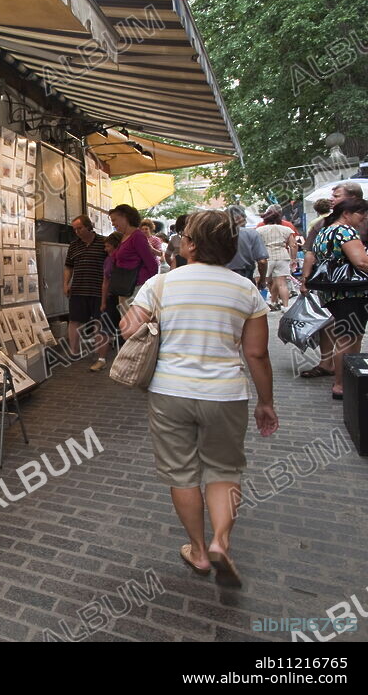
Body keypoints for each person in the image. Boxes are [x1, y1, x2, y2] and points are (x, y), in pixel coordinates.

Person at [120, 209, 277, 587]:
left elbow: (128, 330)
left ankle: (199, 550)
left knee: (182, 473)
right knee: (224, 470)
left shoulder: (161, 284)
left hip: (170, 392)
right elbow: (256, 354)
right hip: (226, 394)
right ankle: (221, 541)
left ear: (190, 245)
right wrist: (265, 402)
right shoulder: (246, 289)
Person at [301, 197, 368, 399]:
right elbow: (361, 262)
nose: (364, 217)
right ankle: (341, 385)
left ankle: (345, 381)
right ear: (346, 214)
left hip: (333, 292)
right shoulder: (345, 231)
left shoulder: (325, 231)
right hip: (351, 292)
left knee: (348, 336)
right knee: (349, 339)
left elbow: (311, 256)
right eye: (361, 213)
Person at [63, 215, 106, 359]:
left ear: (89, 226)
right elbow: (68, 267)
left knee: (99, 321)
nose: (77, 232)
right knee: (74, 320)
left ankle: (99, 353)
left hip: (99, 289)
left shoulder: (103, 242)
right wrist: (65, 284)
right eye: (74, 229)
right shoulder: (74, 245)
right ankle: (74, 351)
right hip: (78, 288)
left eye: (80, 228)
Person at [109, 204, 159, 309]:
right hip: (125, 286)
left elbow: (151, 263)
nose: (112, 223)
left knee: (133, 318)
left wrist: (151, 287)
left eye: (114, 220)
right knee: (125, 317)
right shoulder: (125, 236)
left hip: (136, 286)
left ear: (125, 217)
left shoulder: (138, 236)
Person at [92, 230, 124, 372]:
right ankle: (101, 359)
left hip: (125, 296)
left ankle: (126, 360)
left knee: (126, 329)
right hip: (112, 297)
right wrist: (103, 302)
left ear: (116, 245)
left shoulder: (126, 259)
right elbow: (105, 282)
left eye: (108, 246)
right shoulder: (108, 260)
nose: (105, 249)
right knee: (105, 328)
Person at [256, 209, 297, 310]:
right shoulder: (286, 229)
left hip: (266, 256)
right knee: (282, 283)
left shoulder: (259, 230)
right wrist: (293, 259)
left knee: (264, 281)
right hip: (282, 256)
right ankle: (285, 306)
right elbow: (293, 245)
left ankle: (263, 305)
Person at [224, 205, 268, 289]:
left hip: (223, 277)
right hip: (245, 277)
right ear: (243, 218)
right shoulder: (252, 234)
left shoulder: (216, 235)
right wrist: (262, 280)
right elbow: (262, 261)